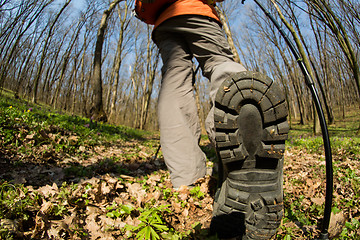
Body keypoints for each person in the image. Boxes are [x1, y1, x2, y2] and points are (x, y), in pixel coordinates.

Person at [135, 0, 289, 239]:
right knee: (217, 61)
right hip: (195, 9)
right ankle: (245, 119)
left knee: (174, 83)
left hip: (162, 19)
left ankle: (186, 178)